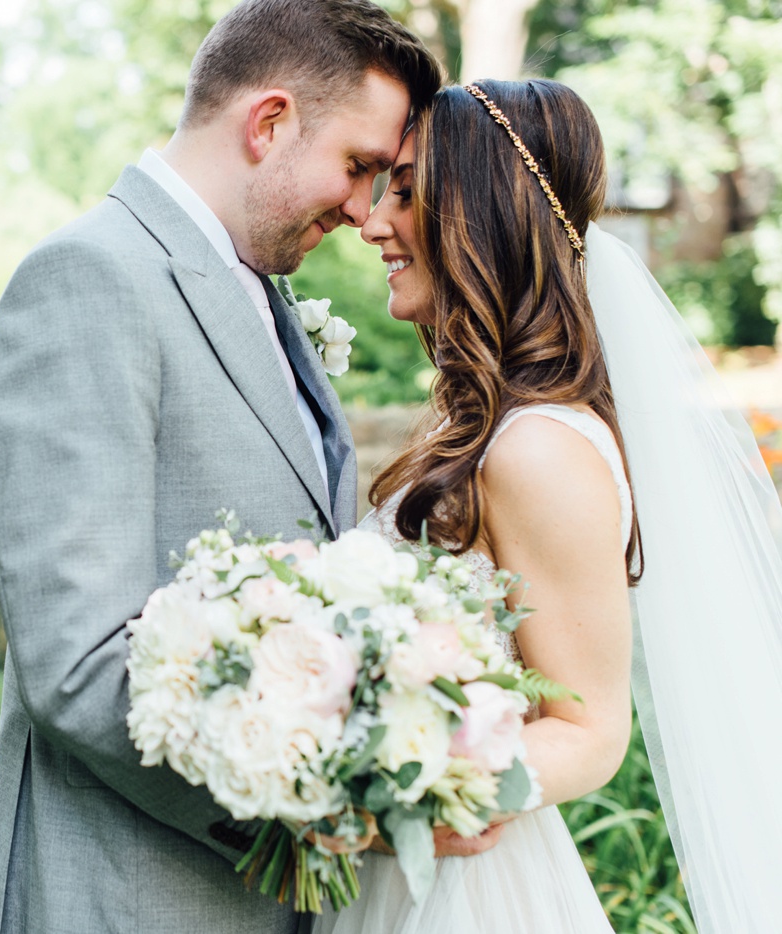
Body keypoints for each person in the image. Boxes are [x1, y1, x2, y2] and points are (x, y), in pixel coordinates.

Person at [0, 2, 444, 931]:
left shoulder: (256, 289)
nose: (363, 210)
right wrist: (322, 817)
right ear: (268, 123)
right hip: (137, 893)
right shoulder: (89, 281)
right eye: (358, 167)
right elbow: (78, 664)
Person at [322, 77, 782, 933]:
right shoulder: (489, 427)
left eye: (410, 192)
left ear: (482, 212)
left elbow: (588, 729)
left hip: (467, 895)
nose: (374, 221)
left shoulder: (536, 449)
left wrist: (400, 787)